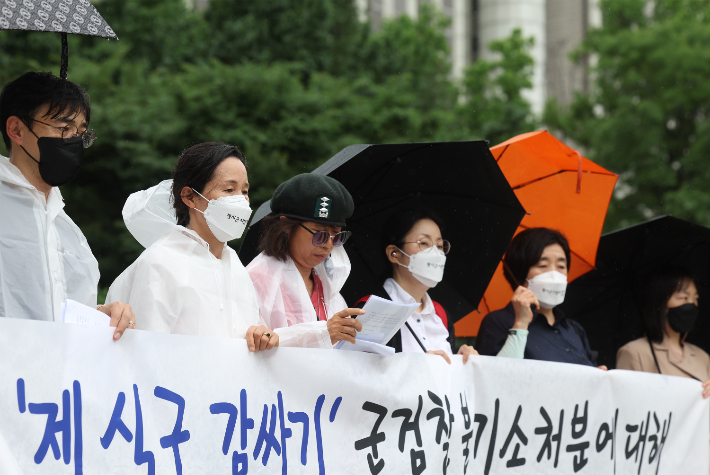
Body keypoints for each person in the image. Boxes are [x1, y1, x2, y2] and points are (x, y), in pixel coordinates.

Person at [106, 142, 277, 352]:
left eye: (244, 191)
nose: (241, 200)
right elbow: (145, 352)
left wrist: (261, 337)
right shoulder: (161, 262)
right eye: (229, 189)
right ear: (190, 197)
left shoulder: (236, 267)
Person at [0, 71, 134, 339]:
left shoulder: (70, 233)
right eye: (63, 129)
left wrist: (101, 316)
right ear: (16, 130)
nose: (73, 141)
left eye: (80, 133)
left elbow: (62, 314)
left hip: (53, 377)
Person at [247, 173, 364, 349]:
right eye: (320, 235)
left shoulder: (327, 283)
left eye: (337, 236)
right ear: (286, 227)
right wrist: (322, 334)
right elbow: (250, 347)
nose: (329, 245)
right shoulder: (258, 278)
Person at [358, 209, 477, 363]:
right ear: (394, 253)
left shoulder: (441, 315)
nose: (435, 253)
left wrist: (458, 360)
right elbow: (362, 376)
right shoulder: (371, 310)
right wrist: (418, 368)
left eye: (440, 246)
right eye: (424, 243)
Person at [475, 228, 602, 367]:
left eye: (561, 266)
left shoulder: (574, 329)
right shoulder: (498, 322)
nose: (554, 274)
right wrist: (521, 324)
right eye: (543, 265)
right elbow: (496, 378)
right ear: (519, 273)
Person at [617, 267, 710, 398]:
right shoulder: (635, 353)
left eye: (695, 298)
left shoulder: (703, 357)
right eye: (683, 297)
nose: (691, 304)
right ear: (661, 303)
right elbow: (625, 405)